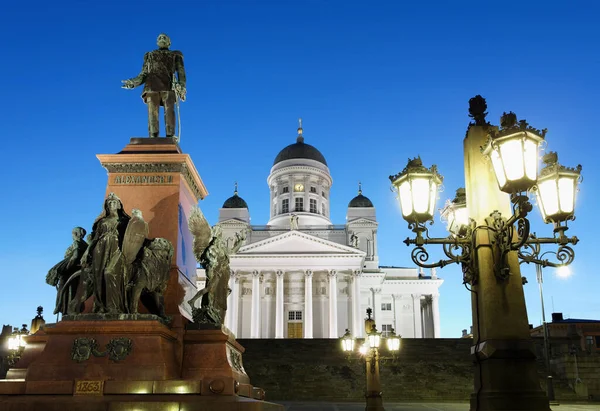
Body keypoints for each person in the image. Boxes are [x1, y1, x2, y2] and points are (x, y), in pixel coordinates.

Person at [122, 33, 186, 138]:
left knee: (169, 111)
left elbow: (181, 72)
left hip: (169, 86)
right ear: (157, 42)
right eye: (159, 38)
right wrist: (133, 83)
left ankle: (170, 136)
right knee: (152, 113)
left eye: (164, 38)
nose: (162, 39)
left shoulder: (175, 55)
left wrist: (182, 86)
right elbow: (144, 74)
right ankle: (153, 137)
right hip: (151, 86)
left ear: (169, 43)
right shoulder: (150, 55)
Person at [80, 193, 131, 314]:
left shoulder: (125, 220)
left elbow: (133, 236)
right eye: (109, 203)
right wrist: (86, 252)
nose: (111, 205)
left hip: (117, 247)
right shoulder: (102, 221)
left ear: (119, 205)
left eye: (114, 202)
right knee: (99, 276)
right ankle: (100, 306)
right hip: (100, 248)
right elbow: (96, 238)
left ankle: (114, 306)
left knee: (109, 273)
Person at [46, 227, 88, 315]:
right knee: (73, 290)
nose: (72, 236)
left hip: (70, 270)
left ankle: (60, 306)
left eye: (73, 234)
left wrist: (67, 267)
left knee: (62, 286)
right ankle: (67, 308)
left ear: (76, 234)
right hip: (78, 270)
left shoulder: (77, 243)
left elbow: (75, 256)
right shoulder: (85, 245)